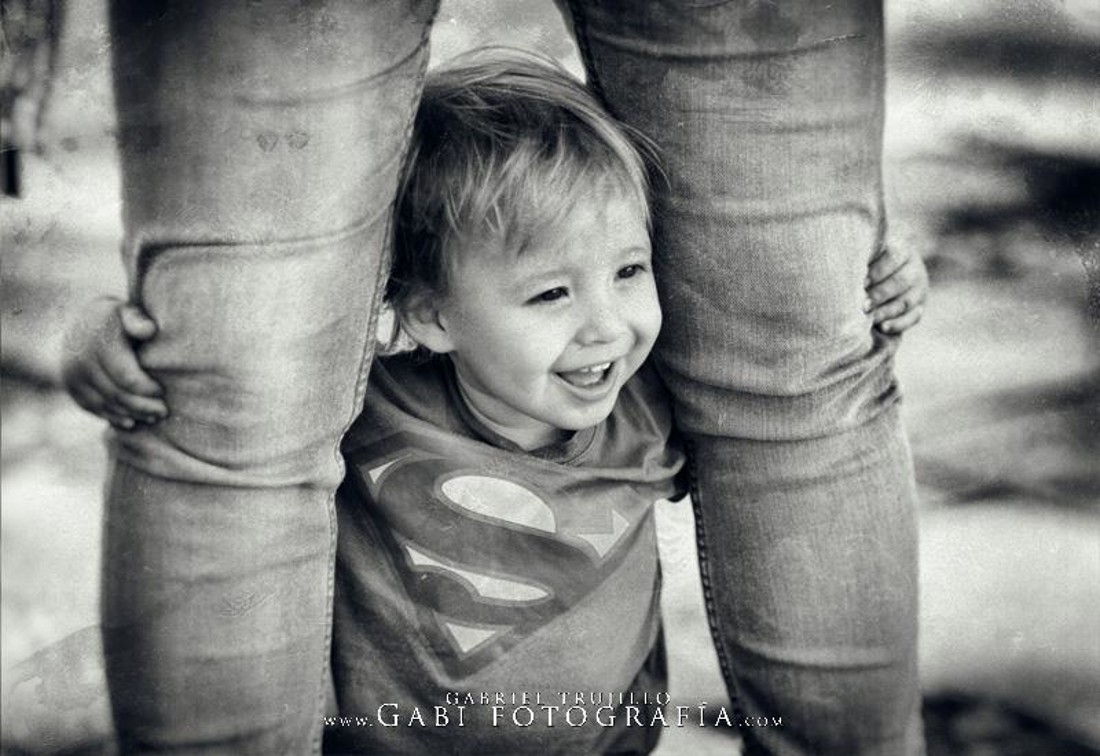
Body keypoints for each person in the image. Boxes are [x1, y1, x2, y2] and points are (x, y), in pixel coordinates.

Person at [63, 47, 928, 755]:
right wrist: (105, 337)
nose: (606, 329)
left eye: (629, 272)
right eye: (549, 294)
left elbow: (796, 418)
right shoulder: (369, 407)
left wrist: (876, 294)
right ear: (431, 315)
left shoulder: (651, 411)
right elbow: (233, 381)